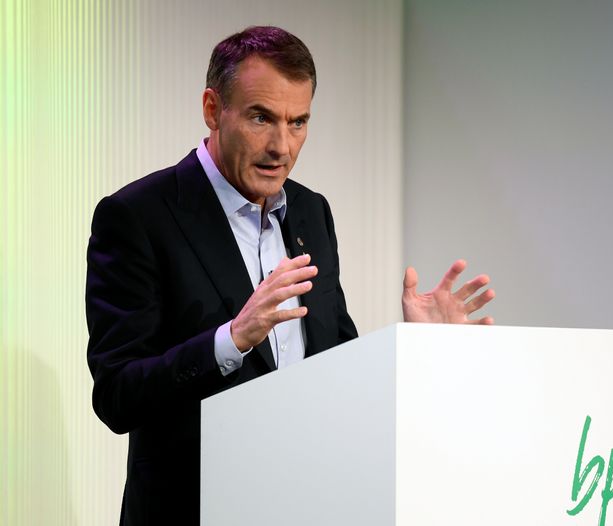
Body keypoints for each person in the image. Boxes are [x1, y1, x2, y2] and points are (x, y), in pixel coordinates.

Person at [86, 25, 494, 525]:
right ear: (214, 109)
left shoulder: (311, 212)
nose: (282, 145)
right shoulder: (139, 216)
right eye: (262, 118)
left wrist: (415, 350)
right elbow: (116, 396)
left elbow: (336, 370)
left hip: (306, 506)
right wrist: (231, 340)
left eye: (298, 122)